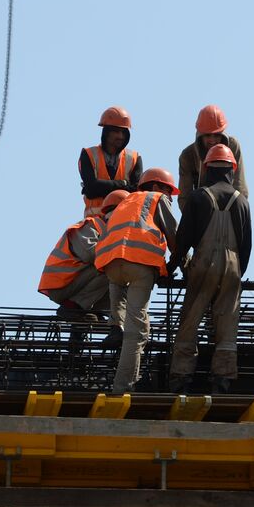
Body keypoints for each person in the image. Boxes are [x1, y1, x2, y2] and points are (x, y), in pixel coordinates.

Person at [167, 145, 252, 395]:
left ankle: (181, 378)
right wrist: (236, 273)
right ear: (231, 170)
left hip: (204, 264)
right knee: (227, 323)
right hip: (234, 265)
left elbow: (183, 240)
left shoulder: (199, 197)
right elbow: (247, 244)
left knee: (191, 320)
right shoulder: (242, 202)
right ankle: (222, 380)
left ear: (207, 168)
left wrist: (172, 267)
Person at [94, 168, 178, 393]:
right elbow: (174, 236)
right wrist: (184, 266)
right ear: (158, 187)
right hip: (139, 263)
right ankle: (123, 387)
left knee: (121, 305)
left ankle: (115, 327)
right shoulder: (158, 199)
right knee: (137, 330)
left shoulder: (126, 200)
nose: (170, 196)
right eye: (169, 190)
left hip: (111, 264)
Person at [36, 189, 129, 321]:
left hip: (75, 283)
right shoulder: (91, 225)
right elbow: (90, 254)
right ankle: (73, 307)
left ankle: (90, 311)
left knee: (123, 274)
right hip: (62, 284)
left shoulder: (113, 233)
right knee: (111, 267)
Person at [176, 104, 247, 208]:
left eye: (217, 135)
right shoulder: (188, 156)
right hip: (201, 209)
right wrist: (192, 220)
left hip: (229, 206)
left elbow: (239, 185)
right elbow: (184, 197)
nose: (212, 140)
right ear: (200, 135)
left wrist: (239, 212)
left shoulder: (232, 146)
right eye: (208, 135)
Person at [80, 106, 143, 217]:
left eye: (123, 132)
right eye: (116, 131)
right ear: (106, 132)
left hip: (123, 221)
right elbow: (90, 189)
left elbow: (136, 192)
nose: (120, 136)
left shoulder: (134, 158)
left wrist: (99, 186)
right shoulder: (89, 154)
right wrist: (123, 184)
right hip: (95, 224)